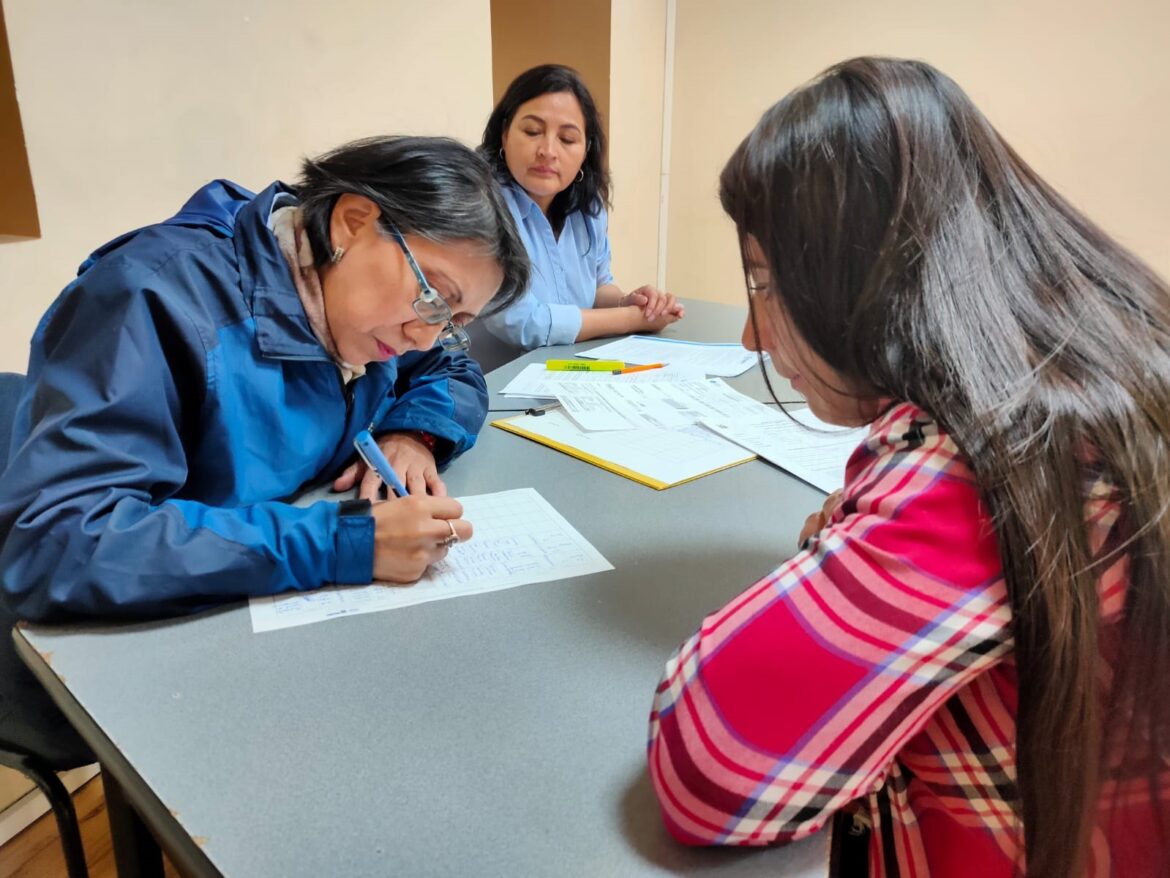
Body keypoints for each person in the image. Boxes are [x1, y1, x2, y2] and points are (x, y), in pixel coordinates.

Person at [647, 57, 1169, 877]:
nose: (754, 334)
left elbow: (708, 763)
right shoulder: (1098, 360)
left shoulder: (992, 468)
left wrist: (869, 537)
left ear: (862, 272)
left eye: (763, 282)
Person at [0, 135, 529, 624]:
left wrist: (414, 432)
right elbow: (56, 541)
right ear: (351, 222)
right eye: (434, 297)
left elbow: (450, 365)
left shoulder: (363, 311)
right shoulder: (152, 301)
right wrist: (342, 544)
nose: (425, 336)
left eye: (453, 322)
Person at [476, 64, 684, 352]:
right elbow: (522, 322)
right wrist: (631, 319)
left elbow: (600, 286)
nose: (548, 150)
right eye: (533, 131)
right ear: (504, 134)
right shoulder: (481, 205)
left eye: (567, 139)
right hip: (498, 382)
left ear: (586, 149)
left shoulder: (587, 206)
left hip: (572, 374)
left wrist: (633, 303)